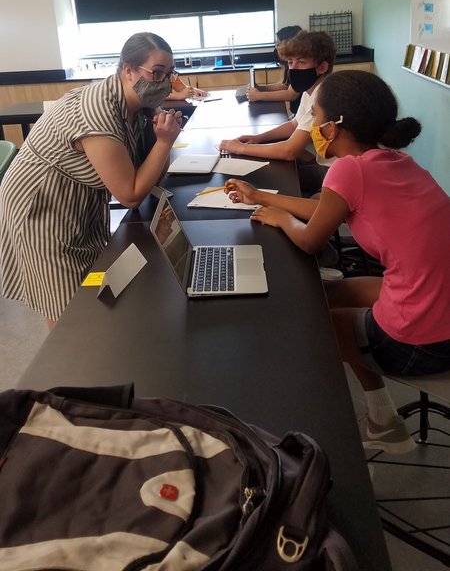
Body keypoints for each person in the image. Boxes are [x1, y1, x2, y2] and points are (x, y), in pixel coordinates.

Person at [224, 70, 450, 455]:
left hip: (424, 342)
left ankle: (381, 421)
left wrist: (281, 219)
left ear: (331, 127)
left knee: (320, 321)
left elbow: (311, 239)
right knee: (328, 293)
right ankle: (383, 418)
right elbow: (326, 208)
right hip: (438, 306)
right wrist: (261, 196)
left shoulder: (350, 169)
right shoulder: (395, 162)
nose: (311, 126)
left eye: (316, 119)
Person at [0, 32, 183, 328]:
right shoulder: (97, 113)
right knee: (66, 305)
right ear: (127, 69)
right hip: (42, 204)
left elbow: (147, 173)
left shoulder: (138, 106)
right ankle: (70, 365)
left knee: (90, 286)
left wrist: (161, 141)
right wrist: (165, 143)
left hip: (79, 196)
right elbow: (131, 194)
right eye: (157, 73)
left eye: (169, 74)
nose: (163, 83)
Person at [220, 30, 336, 195]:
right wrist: (258, 138)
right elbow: (294, 124)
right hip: (325, 168)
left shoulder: (322, 96)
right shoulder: (311, 89)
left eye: (301, 62)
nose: (293, 69)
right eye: (290, 62)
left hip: (330, 174)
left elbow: (289, 151)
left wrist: (239, 148)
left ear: (322, 67)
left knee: (264, 181)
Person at [246, 25, 302, 113]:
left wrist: (259, 95)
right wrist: (261, 88)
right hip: (298, 114)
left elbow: (291, 94)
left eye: (279, 44)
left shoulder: (300, 66)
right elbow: (285, 85)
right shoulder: (290, 64)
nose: (277, 48)